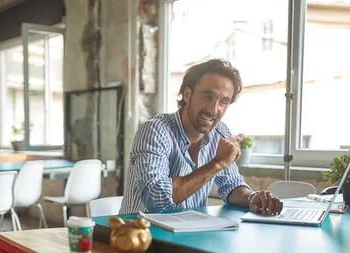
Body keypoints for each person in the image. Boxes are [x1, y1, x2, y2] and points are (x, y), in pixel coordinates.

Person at [120, 58, 283, 215]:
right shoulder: (154, 131)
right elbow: (157, 200)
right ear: (187, 94)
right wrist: (217, 164)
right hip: (140, 236)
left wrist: (252, 197)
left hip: (189, 232)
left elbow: (231, 184)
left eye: (223, 102)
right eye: (207, 96)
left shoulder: (220, 132)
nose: (213, 109)